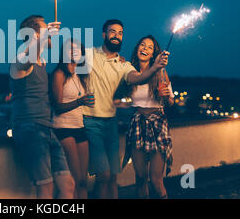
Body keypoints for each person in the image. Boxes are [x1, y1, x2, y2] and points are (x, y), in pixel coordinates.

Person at [83, 19, 169, 199]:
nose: (116, 35)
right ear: (104, 34)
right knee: (127, 177)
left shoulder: (140, 69)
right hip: (115, 123)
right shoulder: (100, 57)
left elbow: (144, 82)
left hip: (136, 123)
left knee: (144, 180)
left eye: (120, 33)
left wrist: (158, 74)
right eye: (112, 31)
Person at [9, 15, 75, 199]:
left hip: (48, 128)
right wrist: (45, 35)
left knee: (68, 185)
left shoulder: (42, 62)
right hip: (30, 128)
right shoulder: (20, 60)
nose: (51, 35)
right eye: (44, 29)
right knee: (45, 189)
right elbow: (28, 57)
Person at [122, 35, 174, 199]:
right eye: (142, 45)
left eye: (149, 47)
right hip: (138, 124)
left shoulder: (161, 72)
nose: (145, 48)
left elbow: (170, 102)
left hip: (158, 124)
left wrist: (166, 96)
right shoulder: (129, 71)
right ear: (137, 48)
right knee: (140, 179)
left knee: (156, 180)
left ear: (154, 54)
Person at [51, 38, 94, 199]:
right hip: (63, 128)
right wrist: (80, 101)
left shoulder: (80, 75)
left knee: (84, 181)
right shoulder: (59, 74)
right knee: (75, 180)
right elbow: (57, 106)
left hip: (79, 127)